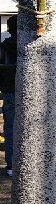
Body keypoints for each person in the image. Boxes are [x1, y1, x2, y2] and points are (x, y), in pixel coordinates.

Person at [0, 16, 17, 178]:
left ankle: (12, 164)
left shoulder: (3, 47)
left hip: (9, 90)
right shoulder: (30, 47)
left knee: (10, 128)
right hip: (29, 92)